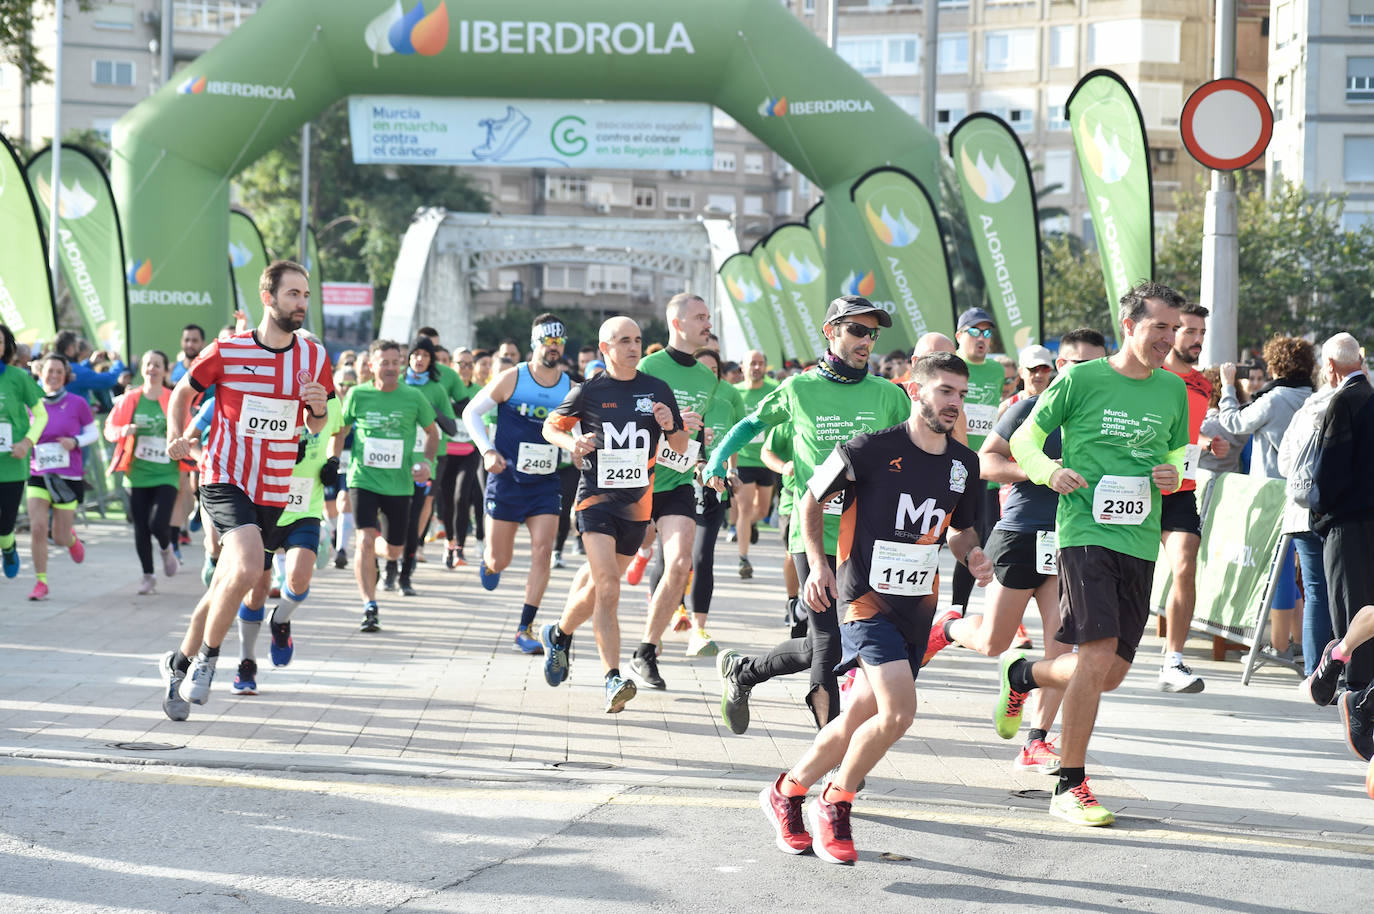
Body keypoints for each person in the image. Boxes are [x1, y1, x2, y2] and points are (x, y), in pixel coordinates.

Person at [756, 352, 992, 864]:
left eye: (961, 393)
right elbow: (810, 500)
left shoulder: (964, 463)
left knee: (856, 717)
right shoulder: (868, 449)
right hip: (862, 599)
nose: (955, 402)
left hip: (916, 604)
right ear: (915, 391)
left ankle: (786, 790)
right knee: (899, 711)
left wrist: (972, 554)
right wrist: (817, 568)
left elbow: (959, 529)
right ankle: (836, 800)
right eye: (945, 391)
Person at [1004, 281, 1189, 826]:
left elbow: (1177, 451)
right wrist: (1049, 471)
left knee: (1108, 672)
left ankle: (1025, 675)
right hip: (1084, 531)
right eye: (1161, 327)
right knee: (1096, 652)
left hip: (1140, 535)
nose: (1169, 338)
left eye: (1174, 329)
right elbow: (1023, 441)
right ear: (1129, 326)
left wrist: (1172, 472)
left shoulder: (1171, 389)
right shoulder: (1080, 379)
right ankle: (1071, 783)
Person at [709, 295, 911, 732]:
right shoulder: (799, 389)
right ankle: (830, 756)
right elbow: (749, 426)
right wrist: (713, 461)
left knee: (836, 646)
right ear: (831, 331)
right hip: (813, 531)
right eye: (857, 330)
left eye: (872, 332)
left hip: (867, 534)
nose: (867, 340)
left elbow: (916, 448)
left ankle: (744, 672)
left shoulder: (887, 395)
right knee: (825, 644)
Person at [923, 329, 1109, 772]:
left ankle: (1037, 739)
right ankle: (947, 629)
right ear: (1061, 367)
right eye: (1077, 364)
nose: (1088, 373)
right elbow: (985, 462)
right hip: (1023, 533)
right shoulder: (1032, 409)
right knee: (994, 641)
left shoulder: (1106, 419)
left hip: (1073, 540)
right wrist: (1041, 472)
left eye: (1096, 364)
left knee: (1062, 646)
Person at [157, 260, 333, 720]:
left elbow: (318, 422)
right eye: (293, 294)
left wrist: (316, 412)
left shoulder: (314, 357)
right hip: (225, 476)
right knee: (252, 567)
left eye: (306, 295)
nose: (301, 303)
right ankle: (208, 662)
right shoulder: (228, 349)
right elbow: (181, 393)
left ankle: (176, 664)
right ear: (268, 297)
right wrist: (177, 435)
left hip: (275, 486)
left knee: (224, 585)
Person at [539, 316, 686, 713]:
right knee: (608, 586)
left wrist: (671, 425)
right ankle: (612, 678)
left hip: (638, 506)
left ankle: (558, 632)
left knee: (602, 589)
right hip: (595, 499)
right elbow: (550, 427)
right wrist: (572, 440)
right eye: (623, 341)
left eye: (637, 340)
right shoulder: (590, 391)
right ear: (605, 348)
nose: (633, 347)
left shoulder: (657, 389)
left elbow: (681, 442)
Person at [632, 293, 737, 684]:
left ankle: (646, 650)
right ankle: (562, 630)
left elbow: (699, 439)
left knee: (679, 563)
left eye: (708, 317)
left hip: (677, 482)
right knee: (605, 577)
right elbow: (631, 425)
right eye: (700, 317)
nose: (708, 324)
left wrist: (708, 465)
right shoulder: (649, 367)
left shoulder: (708, 379)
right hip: (639, 480)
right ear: (677, 323)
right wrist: (671, 423)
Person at [462, 314, 572, 652]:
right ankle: (489, 562)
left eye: (558, 342)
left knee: (543, 551)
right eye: (547, 342)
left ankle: (524, 628)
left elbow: (579, 428)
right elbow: (471, 413)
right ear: (534, 343)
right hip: (507, 479)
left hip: (545, 482)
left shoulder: (571, 388)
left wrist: (577, 450)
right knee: (500, 559)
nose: (552, 348)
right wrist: (487, 450)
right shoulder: (512, 378)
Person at [232, 388, 344, 695]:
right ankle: (247, 662)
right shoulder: (267, 395)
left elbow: (339, 428)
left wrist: (333, 459)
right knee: (256, 592)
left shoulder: (329, 400)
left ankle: (280, 621)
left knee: (298, 576)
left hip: (305, 507)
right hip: (264, 507)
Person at [1218, 335, 1316, 655]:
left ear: (1275, 365)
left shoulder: (1275, 399)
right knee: (1301, 574)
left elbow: (1234, 422)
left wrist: (1227, 387)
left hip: (1275, 493)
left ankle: (1277, 645)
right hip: (1309, 493)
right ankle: (1300, 642)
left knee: (1279, 570)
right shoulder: (1313, 397)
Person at [336, 339, 439, 633]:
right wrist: (332, 461)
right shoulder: (357, 395)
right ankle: (370, 605)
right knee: (366, 540)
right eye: (385, 362)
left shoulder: (413, 397)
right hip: (363, 478)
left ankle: (373, 555)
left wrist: (427, 463)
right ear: (372, 366)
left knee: (394, 550)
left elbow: (433, 434)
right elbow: (340, 432)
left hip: (399, 484)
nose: (391, 368)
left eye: (396, 362)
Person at [1155, 302, 1217, 693]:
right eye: (1190, 331)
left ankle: (1173, 660)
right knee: (1128, 573)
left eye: (1202, 334)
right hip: (1136, 489)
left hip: (1181, 490)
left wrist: (1207, 442)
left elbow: (1187, 435)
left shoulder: (1203, 385)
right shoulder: (1149, 376)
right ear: (1173, 331)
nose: (1197, 340)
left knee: (1185, 565)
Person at [1312, 332, 1374, 697]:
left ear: (1331, 367)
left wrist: (1319, 511)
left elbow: (1330, 470)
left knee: (1351, 607)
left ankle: (1355, 687)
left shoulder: (1343, 402)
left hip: (1347, 522)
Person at [1279, 337, 1343, 678]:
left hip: (1300, 510)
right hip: (1335, 513)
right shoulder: (1354, 405)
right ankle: (1339, 669)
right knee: (1340, 592)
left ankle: (1314, 674)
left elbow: (1284, 463)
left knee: (1316, 590)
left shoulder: (1305, 408)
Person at [106, 349, 180, 593]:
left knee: (159, 523)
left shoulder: (173, 398)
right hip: (136, 473)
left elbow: (188, 427)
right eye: (148, 364)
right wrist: (123, 431)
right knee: (140, 527)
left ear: (165, 370)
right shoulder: (131, 398)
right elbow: (110, 428)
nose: (152, 369)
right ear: (142, 369)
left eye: (157, 365)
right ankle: (148, 575)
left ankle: (167, 549)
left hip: (166, 472)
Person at [25, 353, 95, 600]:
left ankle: (72, 539)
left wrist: (75, 441)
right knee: (37, 528)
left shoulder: (77, 403)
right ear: (40, 373)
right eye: (49, 371)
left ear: (65, 375)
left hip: (68, 476)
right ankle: (40, 582)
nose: (53, 376)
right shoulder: (30, 402)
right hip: (38, 472)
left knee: (60, 536)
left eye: (58, 371)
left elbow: (92, 432)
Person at [949, 308, 1005, 615]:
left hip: (984, 468)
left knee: (978, 542)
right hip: (949, 465)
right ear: (959, 336)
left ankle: (958, 609)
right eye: (975, 332)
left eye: (987, 333)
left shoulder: (996, 371)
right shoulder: (951, 366)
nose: (983, 339)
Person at [395, 337, 458, 595]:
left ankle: (412, 551)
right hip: (399, 456)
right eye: (415, 354)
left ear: (431, 361)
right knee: (400, 506)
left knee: (421, 507)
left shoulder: (437, 388)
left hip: (431, 456)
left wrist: (431, 411)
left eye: (425, 355)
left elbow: (452, 428)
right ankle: (395, 552)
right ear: (408, 357)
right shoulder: (396, 384)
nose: (419, 359)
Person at [0, 324, 46, 580]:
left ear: (6, 347)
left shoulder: (18, 378)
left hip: (12, 462)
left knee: (5, 525)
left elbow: (41, 414)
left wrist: (26, 443)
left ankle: (8, 547)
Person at [732, 349, 778, 581]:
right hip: (744, 459)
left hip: (767, 457)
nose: (757, 367)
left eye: (761, 363)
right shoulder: (735, 393)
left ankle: (746, 527)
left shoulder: (774, 391)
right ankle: (743, 558)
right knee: (745, 508)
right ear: (743, 367)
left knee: (762, 511)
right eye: (752, 363)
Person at [439, 348, 483, 568]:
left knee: (461, 496)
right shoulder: (443, 390)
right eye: (461, 364)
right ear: (452, 366)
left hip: (469, 451)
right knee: (447, 500)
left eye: (469, 364)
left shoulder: (479, 390)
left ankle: (460, 548)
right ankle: (449, 541)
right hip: (447, 451)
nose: (465, 369)